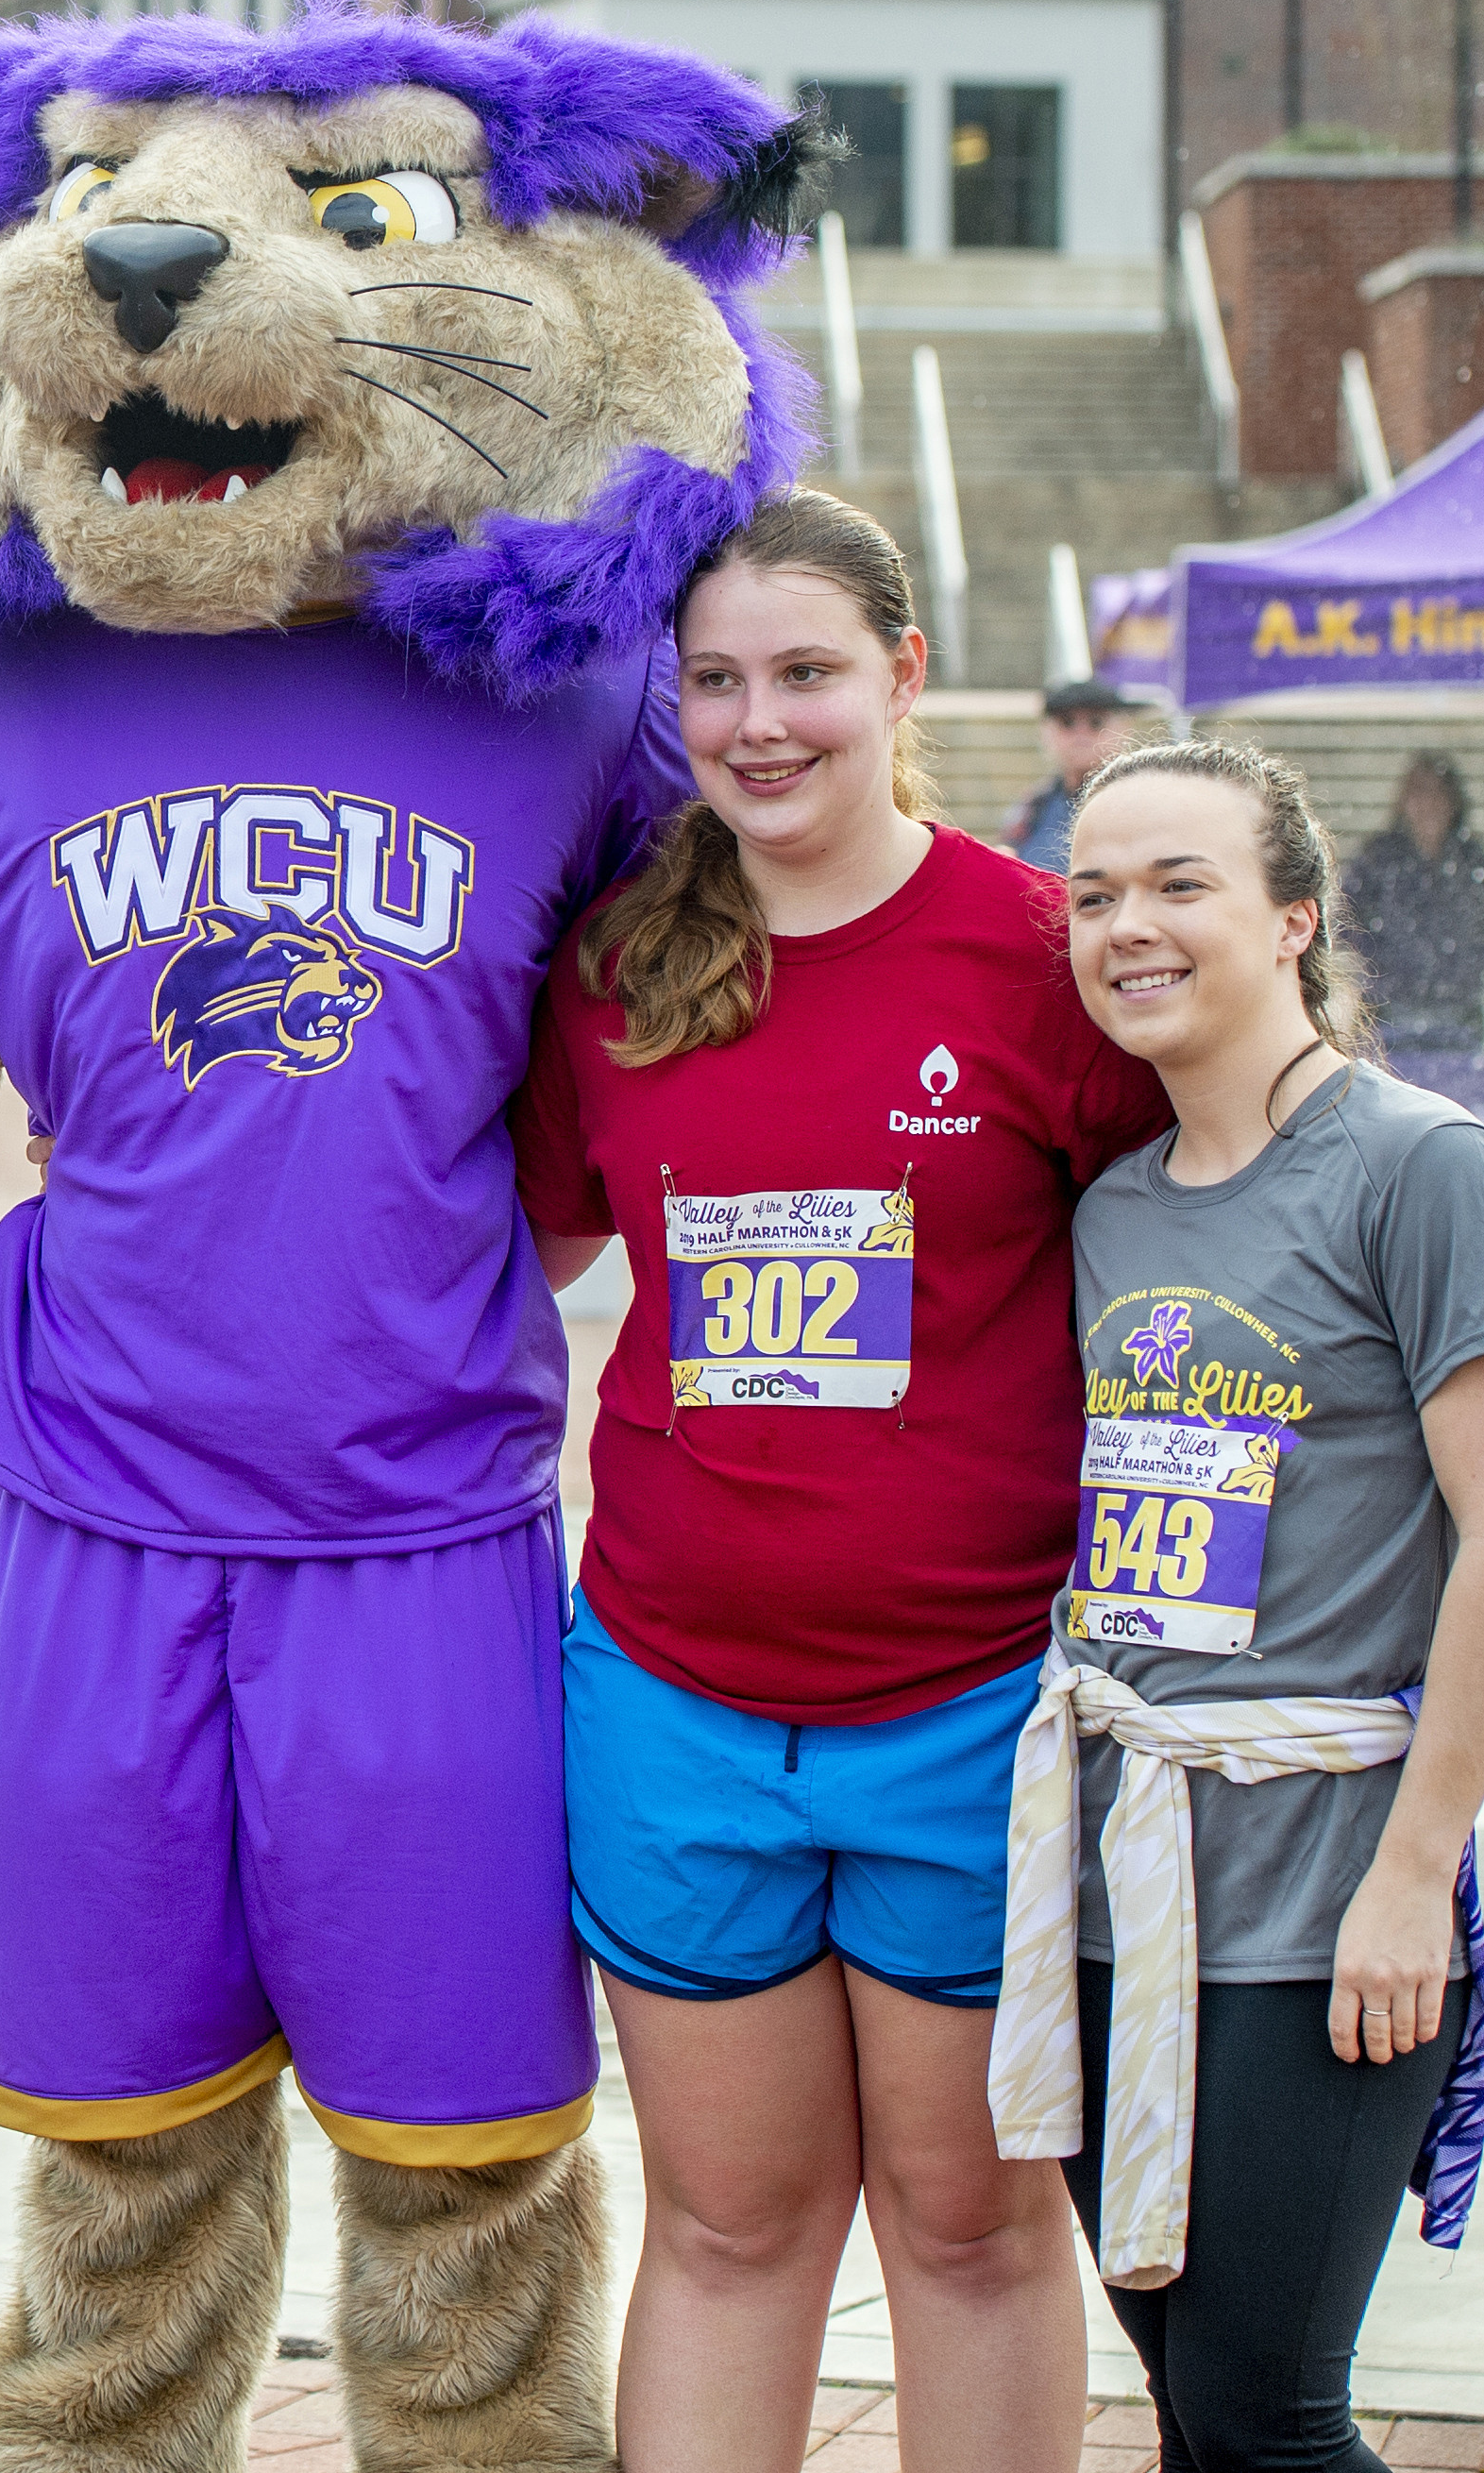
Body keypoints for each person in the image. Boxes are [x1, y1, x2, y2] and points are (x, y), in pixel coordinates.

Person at [508, 491, 1170, 2473]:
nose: (754, 721)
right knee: (724, 2222)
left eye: (801, 672)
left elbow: (1232, 1232)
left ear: (897, 676)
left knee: (965, 2224)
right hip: (670, 1700)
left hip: (971, 1708)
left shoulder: (1045, 957)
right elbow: (487, 1251)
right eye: (710, 681)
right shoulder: (614, 969)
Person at [996, 736, 1484, 2473]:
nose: (1127, 925)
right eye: (1094, 894)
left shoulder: (1422, 1168)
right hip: (1122, 1888)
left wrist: (1415, 1870)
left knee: (1265, 2414)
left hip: (1330, 1894)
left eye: (1182, 885)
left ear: (1296, 917)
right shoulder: (1109, 1208)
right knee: (1192, 2405)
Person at [1339, 751, 1484, 1053]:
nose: (1428, 805)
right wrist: (1379, 963)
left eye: (1437, 794)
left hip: (1459, 1014)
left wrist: (1466, 968)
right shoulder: (1378, 858)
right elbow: (1345, 915)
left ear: (1453, 801)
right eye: (1419, 793)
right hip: (1388, 1015)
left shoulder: (1474, 862)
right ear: (1404, 802)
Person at [1006, 676, 1137, 873]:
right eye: (1067, 723)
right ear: (1046, 732)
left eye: (1095, 722)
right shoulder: (1033, 807)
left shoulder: (1141, 801)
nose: (1081, 734)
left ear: (1123, 729)